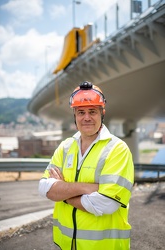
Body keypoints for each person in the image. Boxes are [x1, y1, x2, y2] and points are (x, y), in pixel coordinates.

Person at [39, 81, 134, 250]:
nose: (87, 117)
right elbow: (45, 188)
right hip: (66, 245)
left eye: (92, 111)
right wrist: (88, 188)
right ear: (74, 115)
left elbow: (106, 204)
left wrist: (64, 193)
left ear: (102, 113)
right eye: (81, 112)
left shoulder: (117, 149)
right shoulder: (66, 147)